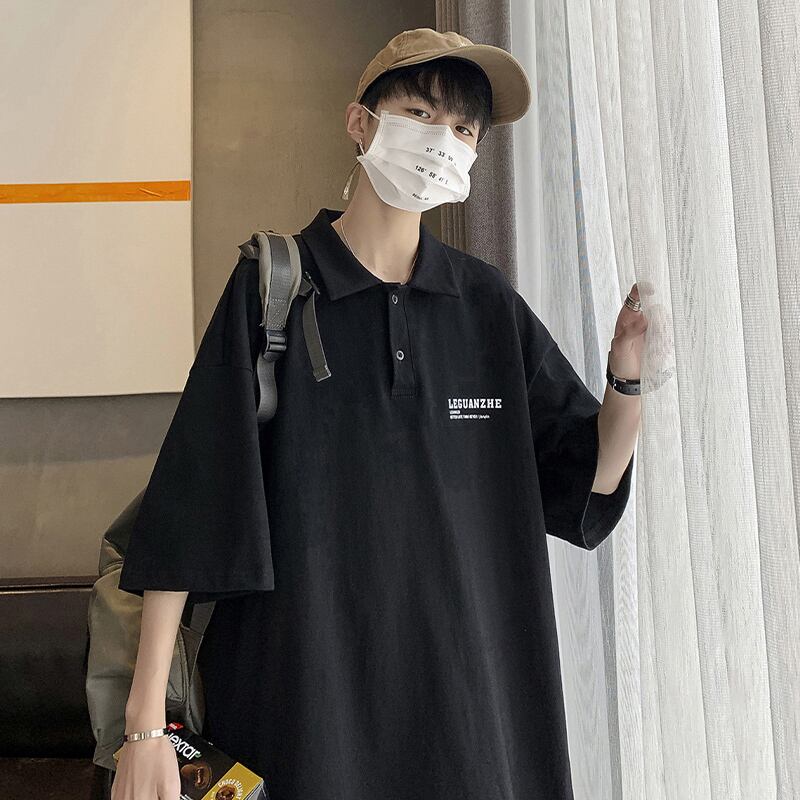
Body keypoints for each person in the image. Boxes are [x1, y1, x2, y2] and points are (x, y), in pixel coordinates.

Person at [113, 27, 643, 800]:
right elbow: (195, 508)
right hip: (307, 704)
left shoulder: (486, 304)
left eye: (463, 128)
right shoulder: (274, 288)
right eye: (421, 114)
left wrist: (627, 381)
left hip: (469, 706)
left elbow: (587, 476)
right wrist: (145, 728)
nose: (442, 141)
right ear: (360, 123)